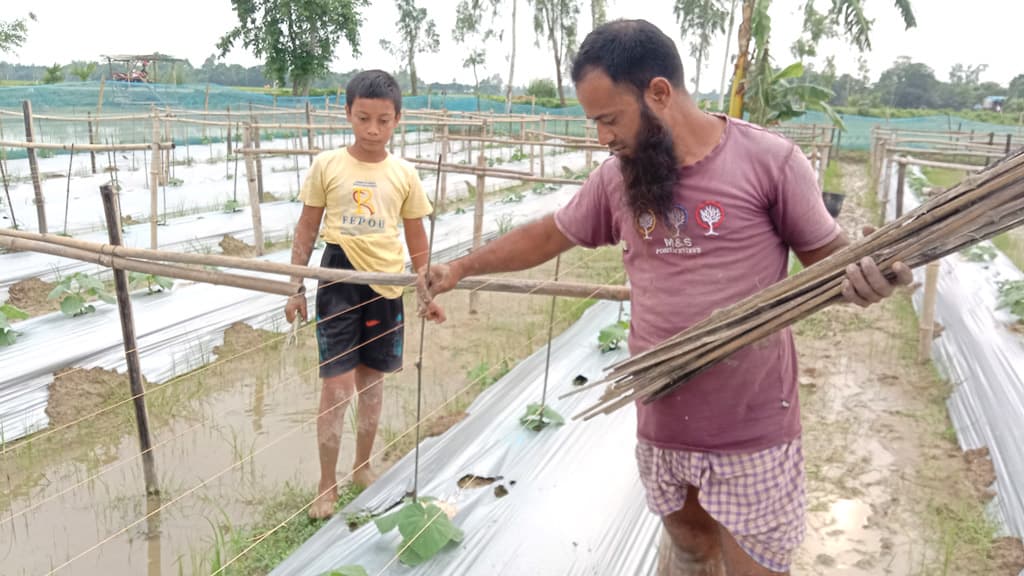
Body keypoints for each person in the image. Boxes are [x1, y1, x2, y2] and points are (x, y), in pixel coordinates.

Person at [417, 20, 912, 576]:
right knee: (692, 551)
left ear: (658, 92)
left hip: (751, 428)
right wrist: (462, 265)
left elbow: (831, 265)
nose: (602, 136)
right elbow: (549, 233)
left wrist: (872, 279)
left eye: (609, 118)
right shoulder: (618, 179)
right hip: (662, 421)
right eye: (595, 122)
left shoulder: (770, 162)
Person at [285, 70, 445, 520]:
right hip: (338, 276)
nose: (372, 130)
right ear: (347, 114)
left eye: (383, 120)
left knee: (372, 383)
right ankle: (326, 484)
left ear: (398, 120)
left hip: (387, 283)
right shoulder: (327, 165)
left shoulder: (404, 173)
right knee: (335, 388)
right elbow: (307, 227)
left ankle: (362, 468)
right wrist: (294, 286)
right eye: (363, 118)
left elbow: (416, 241)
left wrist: (423, 292)